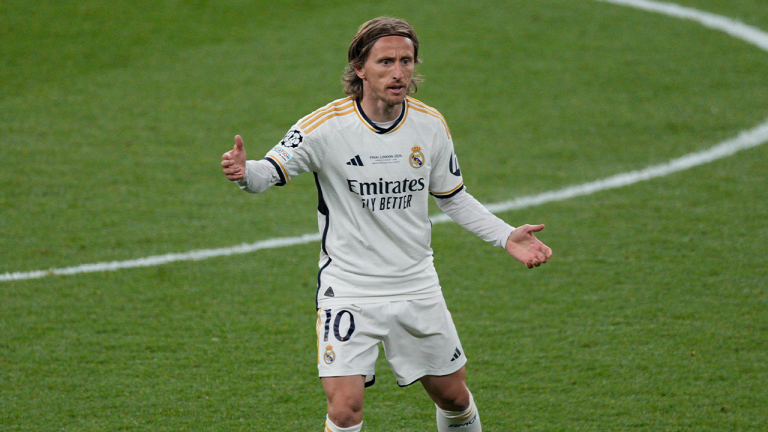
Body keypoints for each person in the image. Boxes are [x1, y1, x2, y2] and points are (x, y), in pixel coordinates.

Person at [221, 16, 552, 432]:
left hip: (415, 283)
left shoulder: (429, 125)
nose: (399, 73)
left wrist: (506, 236)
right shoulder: (324, 128)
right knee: (345, 409)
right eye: (386, 62)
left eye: (407, 61)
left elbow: (453, 197)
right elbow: (268, 172)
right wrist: (242, 172)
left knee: (453, 396)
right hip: (349, 287)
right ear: (359, 68)